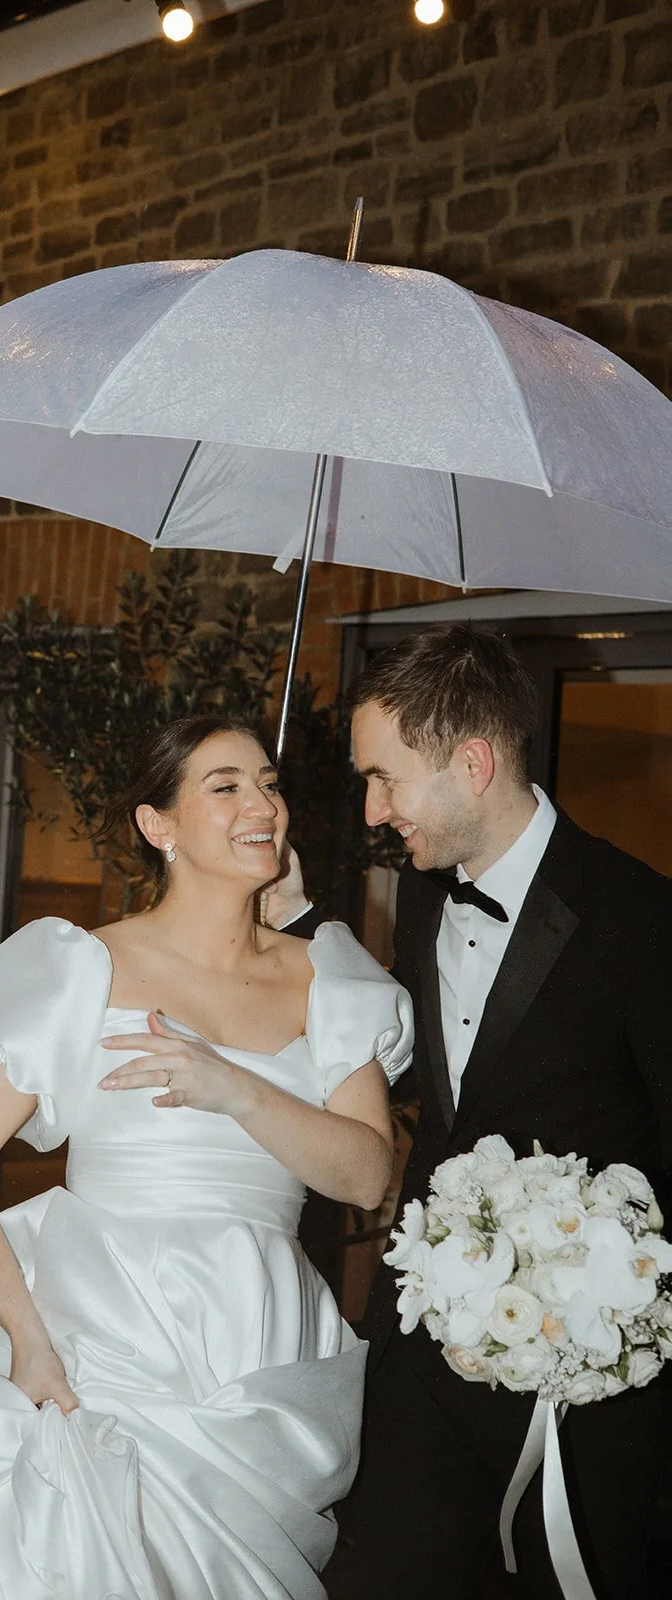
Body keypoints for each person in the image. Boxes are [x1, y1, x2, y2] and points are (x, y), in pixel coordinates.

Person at [0, 713, 413, 1600]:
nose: (262, 805)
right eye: (226, 787)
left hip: (255, 1343)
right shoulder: (81, 967)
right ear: (157, 825)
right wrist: (26, 1338)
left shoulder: (328, 976)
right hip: (99, 1329)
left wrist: (238, 1090)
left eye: (269, 783)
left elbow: (366, 1176)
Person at [272, 625, 672, 1600]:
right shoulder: (420, 896)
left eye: (384, 779)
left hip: (577, 1389)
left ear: (473, 763)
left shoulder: (640, 919)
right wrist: (287, 925)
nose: (371, 810)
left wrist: (602, 1298)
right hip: (417, 1361)